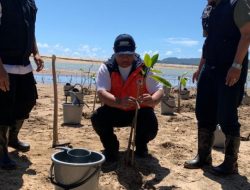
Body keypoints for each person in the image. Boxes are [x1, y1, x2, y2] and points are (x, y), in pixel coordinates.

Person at [184, 0, 250, 175]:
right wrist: (200, 67)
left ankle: (230, 164)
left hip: (229, 67)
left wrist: (236, 66)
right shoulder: (210, 9)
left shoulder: (238, 3)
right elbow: (209, 41)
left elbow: (246, 34)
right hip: (210, 66)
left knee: (226, 114)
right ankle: (204, 156)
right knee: (203, 111)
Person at [91, 34, 163, 162]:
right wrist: (119, 102)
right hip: (115, 109)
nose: (125, 58)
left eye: (129, 54)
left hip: (139, 112)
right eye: (121, 55)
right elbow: (101, 92)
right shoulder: (106, 67)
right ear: (114, 51)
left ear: (135, 52)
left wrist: (153, 100)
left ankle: (141, 145)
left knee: (150, 126)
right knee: (98, 117)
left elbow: (159, 89)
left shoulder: (144, 68)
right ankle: (111, 148)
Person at [0, 0, 44, 170]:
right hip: (4, 64)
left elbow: (30, 29)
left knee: (28, 100)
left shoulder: (30, 3)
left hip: (24, 65)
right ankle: (1, 150)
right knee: (3, 108)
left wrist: (36, 52)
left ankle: (12, 138)